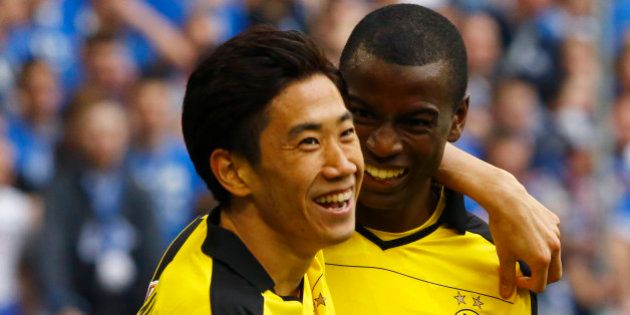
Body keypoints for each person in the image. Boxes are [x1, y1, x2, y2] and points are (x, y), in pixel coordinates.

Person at [323, 4, 544, 314]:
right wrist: (493, 182)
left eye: (415, 122)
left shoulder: (498, 269)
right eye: (362, 114)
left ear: (458, 119)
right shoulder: (285, 228)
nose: (384, 145)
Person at [138, 25, 363, 314]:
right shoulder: (214, 305)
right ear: (232, 171)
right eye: (309, 142)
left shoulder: (290, 232)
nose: (343, 165)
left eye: (346, 133)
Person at [38, 100, 162, 315]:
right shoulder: (62, 191)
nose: (103, 143)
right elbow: (53, 251)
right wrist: (63, 301)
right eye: (95, 135)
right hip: (82, 298)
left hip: (132, 299)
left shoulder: (138, 191)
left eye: (112, 135)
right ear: (81, 137)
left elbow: (153, 251)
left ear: (125, 137)